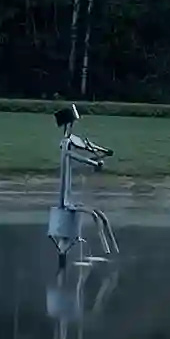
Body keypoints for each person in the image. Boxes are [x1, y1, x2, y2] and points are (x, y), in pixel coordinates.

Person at [46, 103, 115, 269]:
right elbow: (72, 155)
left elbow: (86, 145)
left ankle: (112, 255)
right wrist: (92, 162)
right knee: (94, 217)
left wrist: (102, 151)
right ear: (67, 124)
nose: (74, 125)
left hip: (69, 198)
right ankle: (107, 255)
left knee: (100, 216)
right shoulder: (65, 143)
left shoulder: (72, 140)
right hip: (64, 200)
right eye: (72, 122)